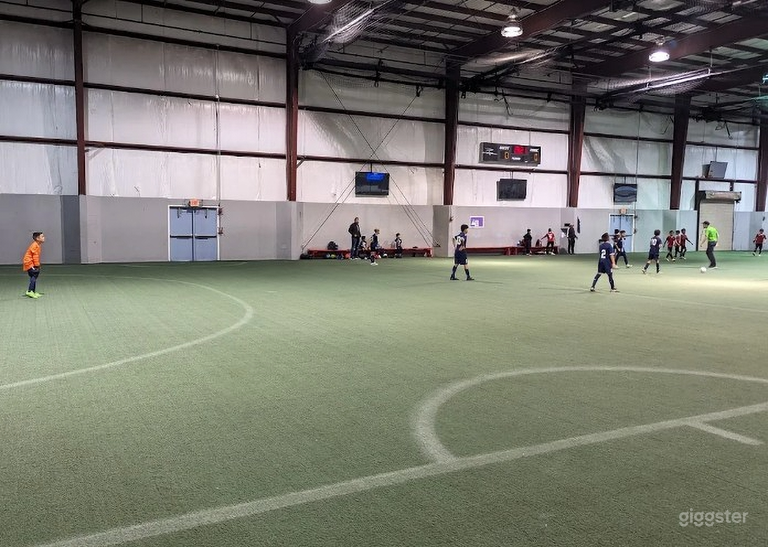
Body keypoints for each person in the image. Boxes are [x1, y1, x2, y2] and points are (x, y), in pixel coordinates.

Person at [22, 232, 45, 298]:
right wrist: (37, 265)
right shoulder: (34, 245)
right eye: (42, 236)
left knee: (34, 276)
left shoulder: (37, 245)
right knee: (34, 275)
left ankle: (33, 291)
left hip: (31, 263)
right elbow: (35, 256)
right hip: (29, 263)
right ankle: (29, 291)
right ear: (37, 238)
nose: (44, 238)